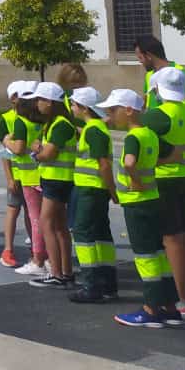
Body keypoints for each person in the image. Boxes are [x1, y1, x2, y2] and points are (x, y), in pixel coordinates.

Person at [98, 89, 183, 329]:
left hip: (137, 203)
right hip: (153, 199)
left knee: (145, 255)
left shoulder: (132, 138)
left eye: (113, 110)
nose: (110, 115)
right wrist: (152, 162)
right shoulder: (152, 136)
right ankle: (169, 307)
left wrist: (135, 180)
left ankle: (150, 309)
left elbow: (129, 163)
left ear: (128, 111)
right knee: (159, 253)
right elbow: (177, 153)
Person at [137, 35, 185, 284]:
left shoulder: (180, 72)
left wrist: (174, 123)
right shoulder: (150, 78)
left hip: (181, 150)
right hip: (164, 150)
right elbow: (149, 109)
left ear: (148, 54)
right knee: (181, 212)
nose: (139, 62)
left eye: (139, 57)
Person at [143, 66, 185, 319]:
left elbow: (141, 137)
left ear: (157, 90)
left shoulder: (158, 116)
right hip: (183, 177)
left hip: (163, 181)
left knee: (171, 240)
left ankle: (183, 300)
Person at [68, 86, 118, 303]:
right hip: (94, 188)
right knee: (100, 234)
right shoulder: (93, 127)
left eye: (74, 104)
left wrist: (113, 190)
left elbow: (104, 165)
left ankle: (91, 285)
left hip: (90, 189)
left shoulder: (94, 130)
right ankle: (107, 282)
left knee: (82, 233)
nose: (71, 107)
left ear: (85, 108)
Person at [26, 82, 76, 288]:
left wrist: (38, 151)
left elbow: (47, 153)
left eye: (41, 100)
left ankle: (56, 272)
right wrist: (38, 148)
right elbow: (38, 145)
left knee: (47, 224)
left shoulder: (61, 124)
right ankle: (65, 271)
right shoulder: (53, 123)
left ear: (52, 102)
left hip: (58, 179)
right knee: (59, 226)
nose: (38, 104)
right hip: (55, 178)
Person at [6, 83, 48, 277]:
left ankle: (37, 258)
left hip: (28, 176)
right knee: (46, 219)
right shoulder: (44, 120)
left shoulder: (21, 121)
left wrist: (7, 140)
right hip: (43, 173)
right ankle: (47, 258)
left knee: (35, 219)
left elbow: (18, 149)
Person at [0, 81, 28, 268]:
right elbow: (4, 151)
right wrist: (9, 177)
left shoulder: (33, 117)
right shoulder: (7, 118)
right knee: (13, 210)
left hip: (33, 174)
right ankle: (7, 250)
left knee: (32, 215)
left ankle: (36, 250)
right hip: (16, 173)